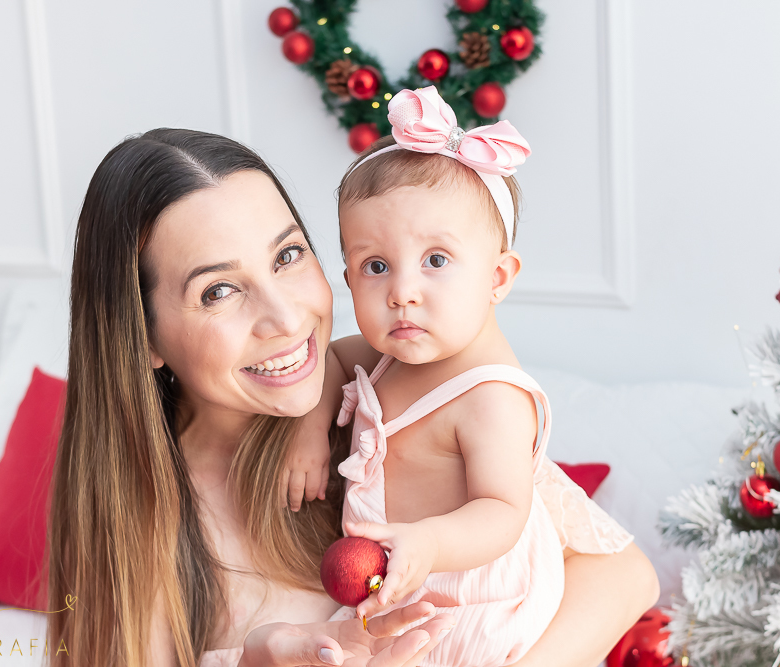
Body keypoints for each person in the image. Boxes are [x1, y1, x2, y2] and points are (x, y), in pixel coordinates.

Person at [46, 128, 659, 667]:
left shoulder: (383, 405)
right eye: (218, 291)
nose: (287, 318)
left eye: (288, 256)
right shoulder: (139, 518)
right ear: (141, 333)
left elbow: (622, 575)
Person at [284, 87, 643, 667]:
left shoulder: (490, 395)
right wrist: (310, 427)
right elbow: (326, 361)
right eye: (376, 266)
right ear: (348, 279)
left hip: (477, 604)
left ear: (498, 276)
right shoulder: (387, 356)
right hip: (399, 590)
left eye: (436, 261)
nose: (403, 291)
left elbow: (503, 510)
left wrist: (430, 542)